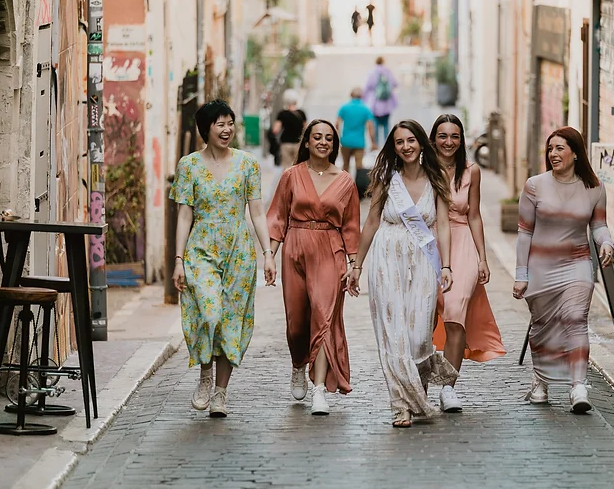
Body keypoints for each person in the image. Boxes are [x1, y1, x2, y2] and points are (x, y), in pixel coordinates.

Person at [348, 119, 458, 428]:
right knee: (393, 334)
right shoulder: (387, 177)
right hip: (387, 255)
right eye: (400, 142)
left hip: (422, 257)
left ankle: (416, 391)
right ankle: (402, 405)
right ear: (393, 147)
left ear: (422, 143)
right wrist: (357, 264)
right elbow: (370, 221)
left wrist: (446, 264)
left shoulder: (436, 178)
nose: (406, 146)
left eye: (411, 140)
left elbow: (444, 224)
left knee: (419, 334)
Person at [171, 100, 277, 418]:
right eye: (220, 123)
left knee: (231, 323)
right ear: (206, 129)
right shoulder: (188, 165)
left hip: (239, 253)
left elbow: (257, 213)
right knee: (210, 312)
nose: (227, 129)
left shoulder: (247, 164)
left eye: (230, 123)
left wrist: (268, 254)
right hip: (200, 251)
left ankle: (220, 392)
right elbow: (184, 216)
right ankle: (205, 374)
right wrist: (178, 260)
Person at [513, 126, 614, 414]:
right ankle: (540, 383)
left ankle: (578, 385)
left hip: (577, 264)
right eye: (550, 149)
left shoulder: (594, 187)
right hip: (541, 268)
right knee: (542, 328)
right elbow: (524, 233)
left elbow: (598, 226)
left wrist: (607, 243)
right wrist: (522, 274)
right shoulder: (534, 185)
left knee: (575, 318)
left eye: (559, 148)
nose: (553, 154)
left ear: (575, 152)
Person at [267, 119, 361, 416]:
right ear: (306, 142)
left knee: (323, 317)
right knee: (297, 324)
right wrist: (270, 255)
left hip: (329, 250)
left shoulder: (345, 180)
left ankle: (319, 390)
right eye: (317, 137)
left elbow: (351, 225)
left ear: (335, 145)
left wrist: (353, 263)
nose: (323, 142)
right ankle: (298, 363)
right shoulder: (291, 175)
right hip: (295, 247)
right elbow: (278, 217)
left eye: (329, 138)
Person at [429, 114, 505, 413]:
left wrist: (483, 257)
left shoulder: (471, 172)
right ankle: (419, 382)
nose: (449, 142)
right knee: (424, 315)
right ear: (434, 138)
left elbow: (473, 214)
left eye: (455, 136)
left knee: (455, 311)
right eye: (443, 136)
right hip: (427, 243)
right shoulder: (423, 169)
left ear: (462, 140)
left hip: (463, 243)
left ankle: (448, 386)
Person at [336, 87, 375, 173]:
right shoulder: (365, 109)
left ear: (351, 95)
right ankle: (358, 185)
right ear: (361, 96)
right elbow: (370, 127)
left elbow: (337, 124)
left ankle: (345, 185)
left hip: (346, 141)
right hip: (359, 143)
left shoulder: (344, 108)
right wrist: (373, 143)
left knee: (345, 166)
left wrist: (337, 138)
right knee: (359, 167)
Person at [364, 57, 398, 147]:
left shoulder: (372, 72)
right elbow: (395, 84)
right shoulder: (388, 71)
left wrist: (364, 100)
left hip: (374, 104)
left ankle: (376, 147)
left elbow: (366, 87)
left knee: (375, 126)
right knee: (386, 126)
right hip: (387, 104)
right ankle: (387, 146)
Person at [271, 90, 307, 167]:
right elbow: (306, 128)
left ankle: (288, 179)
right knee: (298, 166)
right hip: (298, 144)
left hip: (285, 144)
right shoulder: (301, 113)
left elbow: (275, 130)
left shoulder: (282, 114)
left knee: (286, 166)